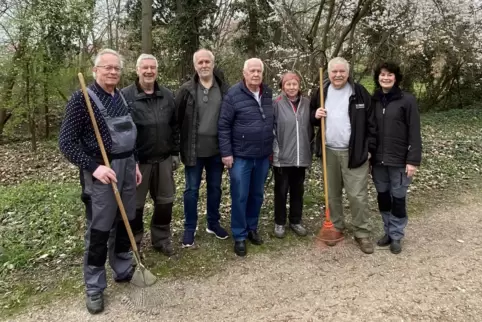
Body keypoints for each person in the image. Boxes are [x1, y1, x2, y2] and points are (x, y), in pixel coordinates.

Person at [59, 49, 142, 314]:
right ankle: (94, 286)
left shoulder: (122, 97)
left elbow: (131, 135)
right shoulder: (82, 99)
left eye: (116, 68)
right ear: (96, 70)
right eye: (107, 67)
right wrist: (95, 168)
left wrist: (136, 162)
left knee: (126, 219)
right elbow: (66, 143)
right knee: (100, 228)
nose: (113, 72)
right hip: (102, 172)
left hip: (128, 167)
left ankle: (121, 266)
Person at [310, 57, 377, 254]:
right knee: (332, 194)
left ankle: (362, 232)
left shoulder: (359, 92)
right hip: (329, 150)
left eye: (342, 71)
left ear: (348, 73)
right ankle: (336, 226)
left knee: (357, 195)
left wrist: (370, 148)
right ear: (329, 73)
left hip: (354, 152)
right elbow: (311, 116)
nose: (338, 75)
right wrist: (315, 114)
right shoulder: (322, 91)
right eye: (334, 71)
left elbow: (372, 123)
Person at [122, 54, 179, 257]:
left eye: (152, 68)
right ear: (137, 70)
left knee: (165, 202)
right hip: (138, 162)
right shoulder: (125, 96)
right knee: (134, 206)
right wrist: (130, 160)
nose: (149, 71)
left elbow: (174, 126)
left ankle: (161, 238)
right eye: (144, 67)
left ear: (156, 70)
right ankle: (134, 242)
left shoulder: (167, 95)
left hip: (163, 160)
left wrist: (174, 152)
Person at [218, 58, 274, 257]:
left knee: (257, 195)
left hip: (262, 156)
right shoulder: (233, 94)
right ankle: (239, 235)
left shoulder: (267, 93)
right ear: (244, 73)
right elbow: (223, 125)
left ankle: (252, 228)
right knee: (240, 196)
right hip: (241, 156)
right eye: (252, 71)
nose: (256, 74)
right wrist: (226, 153)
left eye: (259, 71)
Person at [175, 49, 231, 247]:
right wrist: (176, 149)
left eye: (207, 61)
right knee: (191, 190)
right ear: (195, 65)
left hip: (217, 150)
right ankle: (190, 227)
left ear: (213, 64)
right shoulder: (186, 90)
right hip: (193, 151)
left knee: (215, 188)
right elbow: (177, 120)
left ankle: (213, 223)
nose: (204, 65)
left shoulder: (224, 89)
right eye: (200, 62)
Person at [371, 61, 422, 254]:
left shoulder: (407, 100)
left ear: (396, 77)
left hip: (400, 160)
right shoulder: (374, 100)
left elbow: (414, 132)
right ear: (378, 77)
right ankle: (388, 232)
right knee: (383, 198)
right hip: (378, 161)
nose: (385, 78)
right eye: (382, 74)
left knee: (398, 198)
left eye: (389, 74)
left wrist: (413, 160)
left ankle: (397, 235)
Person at [272, 72, 313, 238]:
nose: (291, 87)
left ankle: (295, 220)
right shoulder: (276, 103)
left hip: (301, 156)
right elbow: (271, 129)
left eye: (294, 84)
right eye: (288, 84)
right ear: (283, 86)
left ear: (299, 85)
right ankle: (279, 222)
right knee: (281, 191)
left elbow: (313, 125)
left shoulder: (307, 103)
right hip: (282, 157)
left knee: (298, 190)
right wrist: (275, 151)